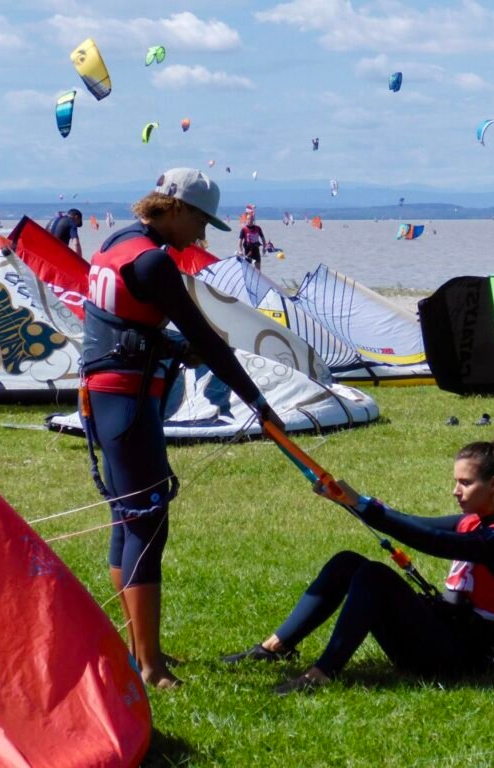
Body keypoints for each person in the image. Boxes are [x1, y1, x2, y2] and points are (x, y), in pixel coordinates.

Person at [80, 168, 283, 690]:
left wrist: (168, 348)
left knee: (128, 522)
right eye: (198, 220)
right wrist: (258, 402)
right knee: (147, 523)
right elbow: (209, 342)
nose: (201, 235)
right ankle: (150, 667)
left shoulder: (117, 243)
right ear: (171, 208)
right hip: (127, 405)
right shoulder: (153, 263)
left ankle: (138, 649)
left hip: (103, 400)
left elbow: (123, 324)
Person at [223, 436, 494, 695]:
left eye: (465, 482)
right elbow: (413, 523)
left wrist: (365, 507)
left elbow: (431, 541)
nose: (456, 490)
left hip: (461, 661)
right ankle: (275, 647)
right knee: (348, 562)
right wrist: (350, 500)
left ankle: (322, 674)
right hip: (441, 637)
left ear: (493, 484)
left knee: (374, 576)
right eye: (456, 482)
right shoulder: (471, 522)